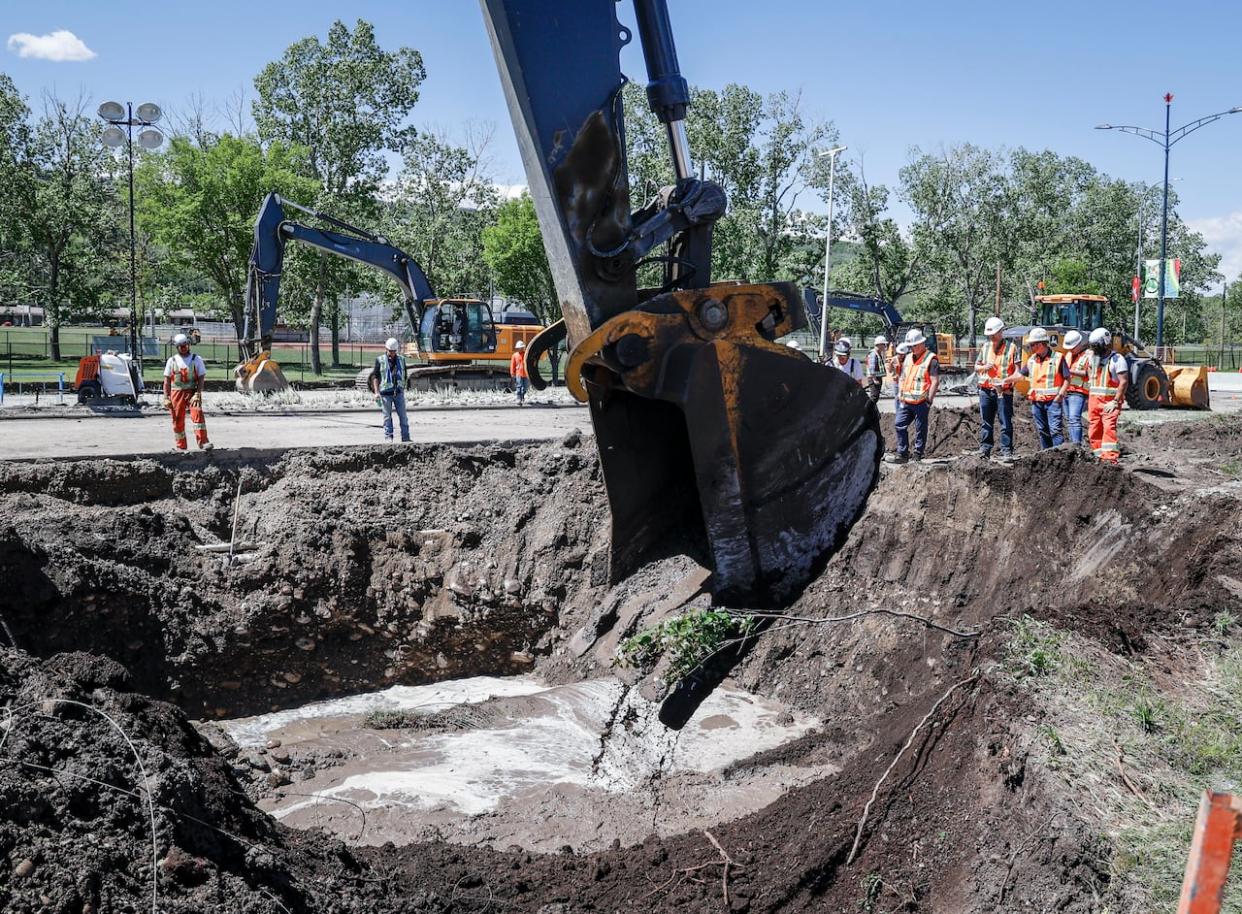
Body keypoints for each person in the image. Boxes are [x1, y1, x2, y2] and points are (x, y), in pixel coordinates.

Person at [891, 328, 939, 463]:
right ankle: (903, 453)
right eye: (910, 346)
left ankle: (918, 454)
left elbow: (935, 381)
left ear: (922, 343)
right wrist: (900, 392)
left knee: (920, 429)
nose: (912, 348)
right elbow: (902, 377)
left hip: (921, 401)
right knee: (899, 424)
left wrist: (929, 400)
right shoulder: (907, 358)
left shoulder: (931, 359)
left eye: (914, 346)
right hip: (906, 401)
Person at [1016, 327, 1068, 450]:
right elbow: (1020, 375)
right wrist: (1005, 380)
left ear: (1040, 344)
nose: (1031, 347)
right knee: (1042, 430)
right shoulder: (1032, 360)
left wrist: (1060, 394)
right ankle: (1046, 455)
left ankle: (1059, 456)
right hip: (1037, 402)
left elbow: (1067, 378)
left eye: (1032, 344)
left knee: (1055, 430)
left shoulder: (1058, 357)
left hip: (1053, 401)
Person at [974, 316, 1018, 460]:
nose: (991, 338)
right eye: (990, 336)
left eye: (993, 335)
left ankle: (1006, 450)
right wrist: (983, 367)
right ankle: (985, 448)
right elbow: (976, 367)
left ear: (1000, 332)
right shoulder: (985, 347)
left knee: (1005, 422)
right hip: (986, 390)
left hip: (1003, 392)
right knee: (986, 422)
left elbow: (1017, 372)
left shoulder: (1011, 348)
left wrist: (1006, 383)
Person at [162, 333, 212, 452]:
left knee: (198, 415)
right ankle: (181, 446)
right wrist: (166, 397)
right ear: (177, 347)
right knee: (177, 419)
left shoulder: (196, 359)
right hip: (176, 393)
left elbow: (201, 377)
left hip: (192, 392)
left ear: (189, 345)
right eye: (181, 346)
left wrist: (198, 393)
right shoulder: (172, 361)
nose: (184, 348)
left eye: (185, 346)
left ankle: (203, 442)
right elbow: (167, 381)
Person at [1086, 328, 1129, 463]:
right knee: (1094, 431)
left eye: (1096, 346)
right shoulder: (1093, 359)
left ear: (1105, 344)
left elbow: (1123, 382)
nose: (1094, 350)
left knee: (1108, 430)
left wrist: (1116, 401)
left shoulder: (1117, 360)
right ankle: (1098, 457)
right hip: (1094, 403)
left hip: (1109, 403)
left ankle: (1110, 459)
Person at [370, 337, 410, 442]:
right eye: (390, 351)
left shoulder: (401, 360)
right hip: (385, 393)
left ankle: (406, 437)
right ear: (386, 349)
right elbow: (375, 376)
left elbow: (404, 374)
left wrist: (402, 387)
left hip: (398, 392)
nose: (392, 353)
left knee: (403, 416)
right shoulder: (380, 360)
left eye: (394, 351)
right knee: (387, 417)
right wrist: (376, 392)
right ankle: (388, 436)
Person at [1062, 330, 1091, 446]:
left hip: (1078, 391)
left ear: (1079, 344)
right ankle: (1073, 445)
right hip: (1067, 390)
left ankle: (1076, 445)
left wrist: (1070, 371)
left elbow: (1088, 373)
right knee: (1069, 420)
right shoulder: (1068, 354)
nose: (1070, 350)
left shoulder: (1088, 355)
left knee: (1074, 419)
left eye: (1073, 347)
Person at [863, 335, 887, 403]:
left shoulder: (878, 353)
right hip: (874, 378)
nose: (885, 346)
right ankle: (867, 410)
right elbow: (872, 367)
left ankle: (870, 410)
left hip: (877, 377)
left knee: (875, 396)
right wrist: (874, 379)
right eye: (883, 344)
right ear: (879, 344)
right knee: (874, 396)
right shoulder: (873, 354)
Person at [510, 339, 529, 405]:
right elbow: (513, 364)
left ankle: (522, 396)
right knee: (519, 386)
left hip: (526, 373)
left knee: (525, 387)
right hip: (518, 373)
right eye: (519, 348)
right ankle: (519, 398)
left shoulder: (526, 354)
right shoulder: (515, 355)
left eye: (521, 347)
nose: (520, 349)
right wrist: (512, 373)